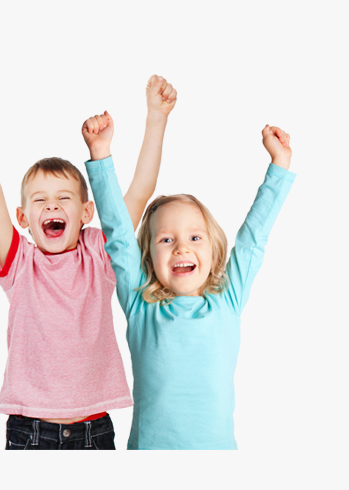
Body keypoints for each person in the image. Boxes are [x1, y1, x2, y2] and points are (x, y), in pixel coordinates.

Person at [0, 75, 176, 450]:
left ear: (87, 211)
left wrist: (157, 118)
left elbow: (139, 192)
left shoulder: (99, 254)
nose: (51, 206)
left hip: (94, 430)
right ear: (22, 217)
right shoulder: (20, 261)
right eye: (39, 200)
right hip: (29, 431)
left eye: (63, 198)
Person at [84, 110, 295, 449]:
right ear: (149, 257)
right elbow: (119, 236)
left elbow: (253, 238)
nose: (181, 246)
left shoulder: (228, 300)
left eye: (195, 238)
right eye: (166, 239)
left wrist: (279, 164)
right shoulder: (142, 305)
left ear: (213, 251)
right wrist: (100, 155)